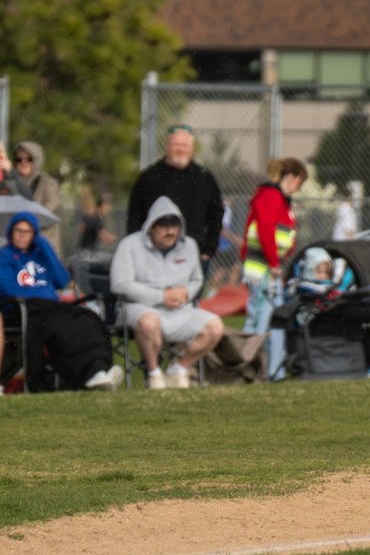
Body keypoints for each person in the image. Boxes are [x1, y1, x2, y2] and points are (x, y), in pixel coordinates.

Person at [109, 196, 224, 389]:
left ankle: (178, 368)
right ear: (151, 227)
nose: (170, 231)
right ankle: (154, 375)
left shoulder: (189, 246)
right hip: (138, 307)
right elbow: (120, 284)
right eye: (163, 226)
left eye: (174, 226)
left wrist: (185, 293)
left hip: (179, 310)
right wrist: (161, 296)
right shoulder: (129, 245)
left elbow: (197, 279)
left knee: (215, 327)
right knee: (149, 322)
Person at [0, 213, 123, 392]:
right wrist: (40, 292)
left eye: (28, 232)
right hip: (24, 308)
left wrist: (43, 245)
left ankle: (98, 371)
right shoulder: (5, 256)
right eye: (18, 230)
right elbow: (7, 289)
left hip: (50, 307)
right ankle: (88, 374)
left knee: (87, 321)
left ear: (34, 234)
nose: (22, 235)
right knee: (64, 330)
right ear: (11, 232)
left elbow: (62, 279)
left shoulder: (40, 254)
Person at [126, 124, 224, 284]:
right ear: (167, 146)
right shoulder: (149, 177)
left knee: (188, 304)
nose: (180, 149)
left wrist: (208, 250)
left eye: (184, 145)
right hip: (154, 255)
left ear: (192, 148)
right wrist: (136, 249)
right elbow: (135, 216)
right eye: (175, 145)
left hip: (194, 254)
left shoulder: (204, 178)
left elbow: (216, 215)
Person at [241, 157, 307, 380]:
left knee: (277, 318)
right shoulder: (270, 196)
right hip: (263, 270)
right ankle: (247, 368)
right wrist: (274, 262)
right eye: (299, 182)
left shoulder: (281, 200)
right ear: (292, 177)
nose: (299, 188)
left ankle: (275, 370)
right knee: (258, 319)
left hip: (272, 269)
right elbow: (266, 229)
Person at [11, 141, 63, 255]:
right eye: (19, 159)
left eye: (28, 159)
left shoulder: (49, 184)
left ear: (37, 160)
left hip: (44, 252)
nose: (23, 162)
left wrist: (23, 219)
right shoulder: (11, 184)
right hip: (20, 253)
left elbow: (48, 211)